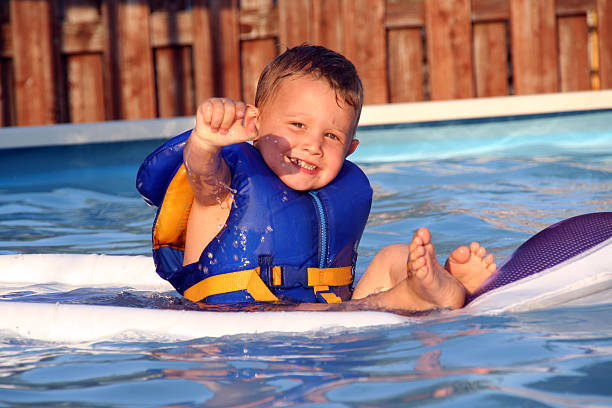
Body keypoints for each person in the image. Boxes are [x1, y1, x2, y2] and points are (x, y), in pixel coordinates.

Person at [138, 44, 496, 313]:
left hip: (324, 312)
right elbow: (202, 176)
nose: (312, 146)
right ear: (255, 124)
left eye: (331, 137)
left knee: (393, 257)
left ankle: (438, 281)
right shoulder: (224, 186)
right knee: (334, 312)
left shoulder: (339, 189)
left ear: (351, 148)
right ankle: (411, 297)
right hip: (239, 320)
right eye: (297, 125)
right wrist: (205, 142)